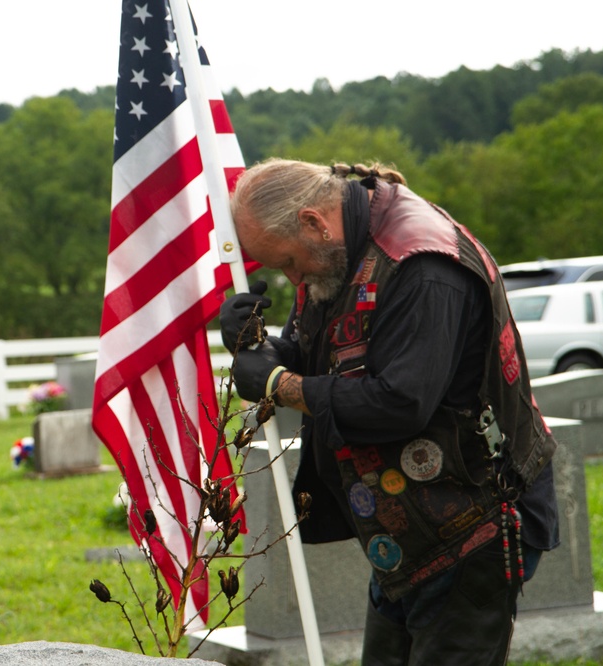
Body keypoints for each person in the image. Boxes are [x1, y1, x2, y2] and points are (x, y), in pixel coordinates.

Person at [219, 158, 560, 666]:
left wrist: (276, 383)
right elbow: (328, 357)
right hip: (406, 538)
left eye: (288, 262)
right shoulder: (338, 252)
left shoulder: (422, 265)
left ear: (314, 221)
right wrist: (260, 346)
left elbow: (400, 403)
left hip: (475, 528)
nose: (291, 278)